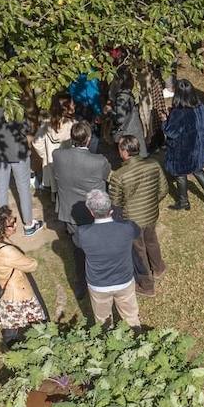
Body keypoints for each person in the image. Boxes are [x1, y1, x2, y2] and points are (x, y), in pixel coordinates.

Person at [50, 121, 110, 295]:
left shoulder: (58, 155)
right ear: (89, 139)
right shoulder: (99, 161)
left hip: (71, 212)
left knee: (78, 250)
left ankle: (82, 285)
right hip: (95, 211)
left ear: (72, 138)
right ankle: (100, 279)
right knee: (98, 248)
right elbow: (107, 176)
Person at [0, 206, 50, 348]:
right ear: (1, 228)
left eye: (15, 221)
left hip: (2, 288)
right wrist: (29, 259)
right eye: (11, 224)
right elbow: (32, 265)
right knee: (37, 319)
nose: (15, 226)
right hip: (17, 292)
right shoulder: (7, 251)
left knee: (10, 323)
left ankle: (11, 344)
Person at [108, 135, 168, 296]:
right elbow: (163, 189)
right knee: (152, 240)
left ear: (125, 152)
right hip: (151, 214)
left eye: (119, 148)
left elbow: (115, 204)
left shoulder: (118, 175)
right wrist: (150, 203)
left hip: (131, 221)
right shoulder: (153, 164)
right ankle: (158, 267)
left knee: (138, 251)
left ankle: (147, 285)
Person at [73, 190, 143, 326]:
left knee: (103, 322)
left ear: (91, 212)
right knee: (131, 318)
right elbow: (137, 232)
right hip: (124, 281)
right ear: (110, 208)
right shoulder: (127, 227)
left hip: (98, 285)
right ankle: (136, 337)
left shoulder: (82, 233)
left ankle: (106, 341)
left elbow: (77, 244)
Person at [0, 102, 43, 236]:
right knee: (23, 187)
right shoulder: (13, 103)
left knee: (1, 188)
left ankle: (4, 225)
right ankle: (29, 224)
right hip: (17, 150)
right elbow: (25, 127)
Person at [164, 79, 204, 210]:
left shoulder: (178, 112)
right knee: (198, 170)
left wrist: (165, 120)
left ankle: (183, 202)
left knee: (180, 174)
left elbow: (171, 132)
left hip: (183, 150)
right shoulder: (200, 106)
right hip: (198, 147)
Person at [32, 94, 75, 190]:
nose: (74, 105)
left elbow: (36, 142)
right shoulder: (72, 125)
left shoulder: (46, 124)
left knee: (55, 189)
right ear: (66, 107)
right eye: (72, 103)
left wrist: (45, 155)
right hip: (68, 164)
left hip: (51, 162)